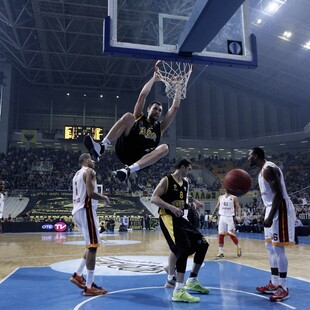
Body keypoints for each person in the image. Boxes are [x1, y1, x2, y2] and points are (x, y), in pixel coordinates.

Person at [84, 62, 183, 182]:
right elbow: (142, 96)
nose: (157, 111)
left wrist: (178, 85)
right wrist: (154, 78)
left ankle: (128, 170)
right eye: (155, 108)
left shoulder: (160, 127)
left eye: (160, 110)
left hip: (140, 160)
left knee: (165, 148)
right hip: (125, 149)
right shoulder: (139, 117)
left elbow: (174, 108)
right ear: (148, 109)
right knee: (129, 116)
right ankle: (102, 147)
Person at [151, 158, 210, 303]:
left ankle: (192, 280)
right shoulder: (166, 180)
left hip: (181, 218)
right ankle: (178, 290)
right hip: (168, 218)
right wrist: (170, 207)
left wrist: (194, 202)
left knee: (203, 244)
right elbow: (154, 198)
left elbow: (184, 198)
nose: (189, 172)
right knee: (182, 249)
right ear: (182, 167)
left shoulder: (186, 183)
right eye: (189, 169)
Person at [248, 147, 295, 302]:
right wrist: (265, 213)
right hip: (271, 208)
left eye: (250, 156)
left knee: (278, 248)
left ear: (255, 156)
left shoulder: (268, 169)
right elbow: (269, 198)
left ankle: (283, 287)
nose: (248, 158)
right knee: (270, 247)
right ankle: (274, 282)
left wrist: (271, 215)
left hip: (280, 208)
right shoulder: (263, 171)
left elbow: (279, 195)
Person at [70, 153, 110, 296]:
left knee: (89, 245)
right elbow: (91, 193)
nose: (93, 161)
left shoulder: (76, 174)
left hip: (77, 210)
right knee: (93, 246)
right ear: (86, 160)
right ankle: (89, 287)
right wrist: (104, 197)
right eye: (91, 159)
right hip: (86, 210)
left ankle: (78, 275)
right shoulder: (90, 171)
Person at [212, 190, 242, 259]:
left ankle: (238, 247)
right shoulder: (220, 197)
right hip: (222, 217)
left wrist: (239, 216)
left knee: (231, 234)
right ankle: (221, 252)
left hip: (230, 218)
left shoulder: (234, 197)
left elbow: (238, 207)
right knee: (220, 234)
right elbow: (217, 207)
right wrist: (212, 215)